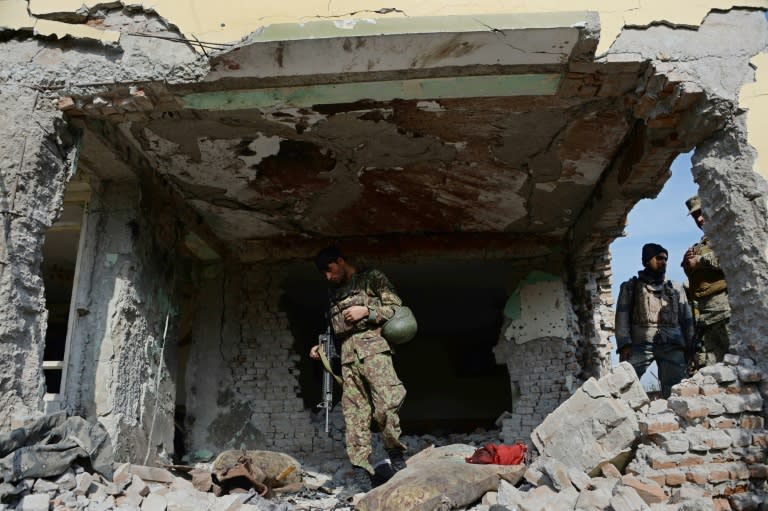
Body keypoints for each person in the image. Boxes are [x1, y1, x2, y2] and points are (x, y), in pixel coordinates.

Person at [309, 246, 407, 492]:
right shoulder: (334, 294)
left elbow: (396, 308)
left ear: (340, 261)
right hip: (347, 359)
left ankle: (395, 455)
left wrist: (368, 311)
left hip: (375, 352)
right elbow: (333, 331)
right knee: (355, 417)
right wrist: (320, 348)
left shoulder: (371, 278)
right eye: (324, 274)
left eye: (329, 270)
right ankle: (362, 471)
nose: (328, 277)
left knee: (387, 404)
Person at [615, 243, 694, 398]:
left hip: (672, 345)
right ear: (646, 261)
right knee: (624, 385)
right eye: (658, 258)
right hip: (640, 345)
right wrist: (624, 344)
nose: (663, 262)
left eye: (665, 259)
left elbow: (687, 318)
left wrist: (692, 349)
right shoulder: (631, 287)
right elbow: (622, 317)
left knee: (676, 391)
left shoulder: (676, 288)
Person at [682, 195, 731, 366]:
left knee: (741, 359)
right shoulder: (700, 245)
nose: (700, 219)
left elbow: (729, 258)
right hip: (706, 315)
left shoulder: (726, 234)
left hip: (725, 310)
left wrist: (699, 261)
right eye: (695, 217)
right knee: (717, 368)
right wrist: (687, 265)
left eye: (701, 213)